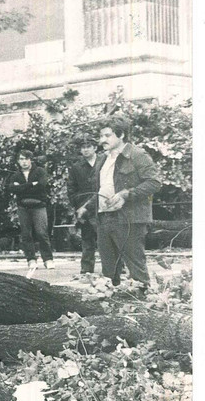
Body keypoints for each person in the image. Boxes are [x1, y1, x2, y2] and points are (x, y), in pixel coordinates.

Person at [78, 116, 161, 289]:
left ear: (121, 134)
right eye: (101, 136)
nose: (102, 140)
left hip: (128, 219)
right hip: (103, 219)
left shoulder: (137, 155)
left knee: (136, 268)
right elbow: (103, 188)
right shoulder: (102, 159)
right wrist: (87, 207)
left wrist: (126, 195)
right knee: (109, 271)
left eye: (107, 136)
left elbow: (154, 183)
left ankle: (145, 305)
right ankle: (114, 308)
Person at [6, 146, 54, 270]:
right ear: (18, 161)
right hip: (23, 207)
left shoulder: (40, 171)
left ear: (31, 160)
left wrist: (22, 187)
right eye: (21, 159)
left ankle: (48, 259)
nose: (24, 162)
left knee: (42, 233)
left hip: (39, 206)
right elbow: (12, 188)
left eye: (27, 159)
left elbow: (42, 186)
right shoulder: (16, 175)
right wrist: (31, 184)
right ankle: (31, 259)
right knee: (26, 234)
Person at [67, 139, 101, 274]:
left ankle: (116, 268)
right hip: (84, 208)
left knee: (107, 238)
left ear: (95, 148)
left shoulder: (103, 162)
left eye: (89, 146)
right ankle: (86, 270)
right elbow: (71, 188)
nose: (86, 150)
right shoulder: (76, 167)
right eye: (83, 147)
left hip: (102, 204)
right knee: (87, 239)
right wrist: (77, 205)